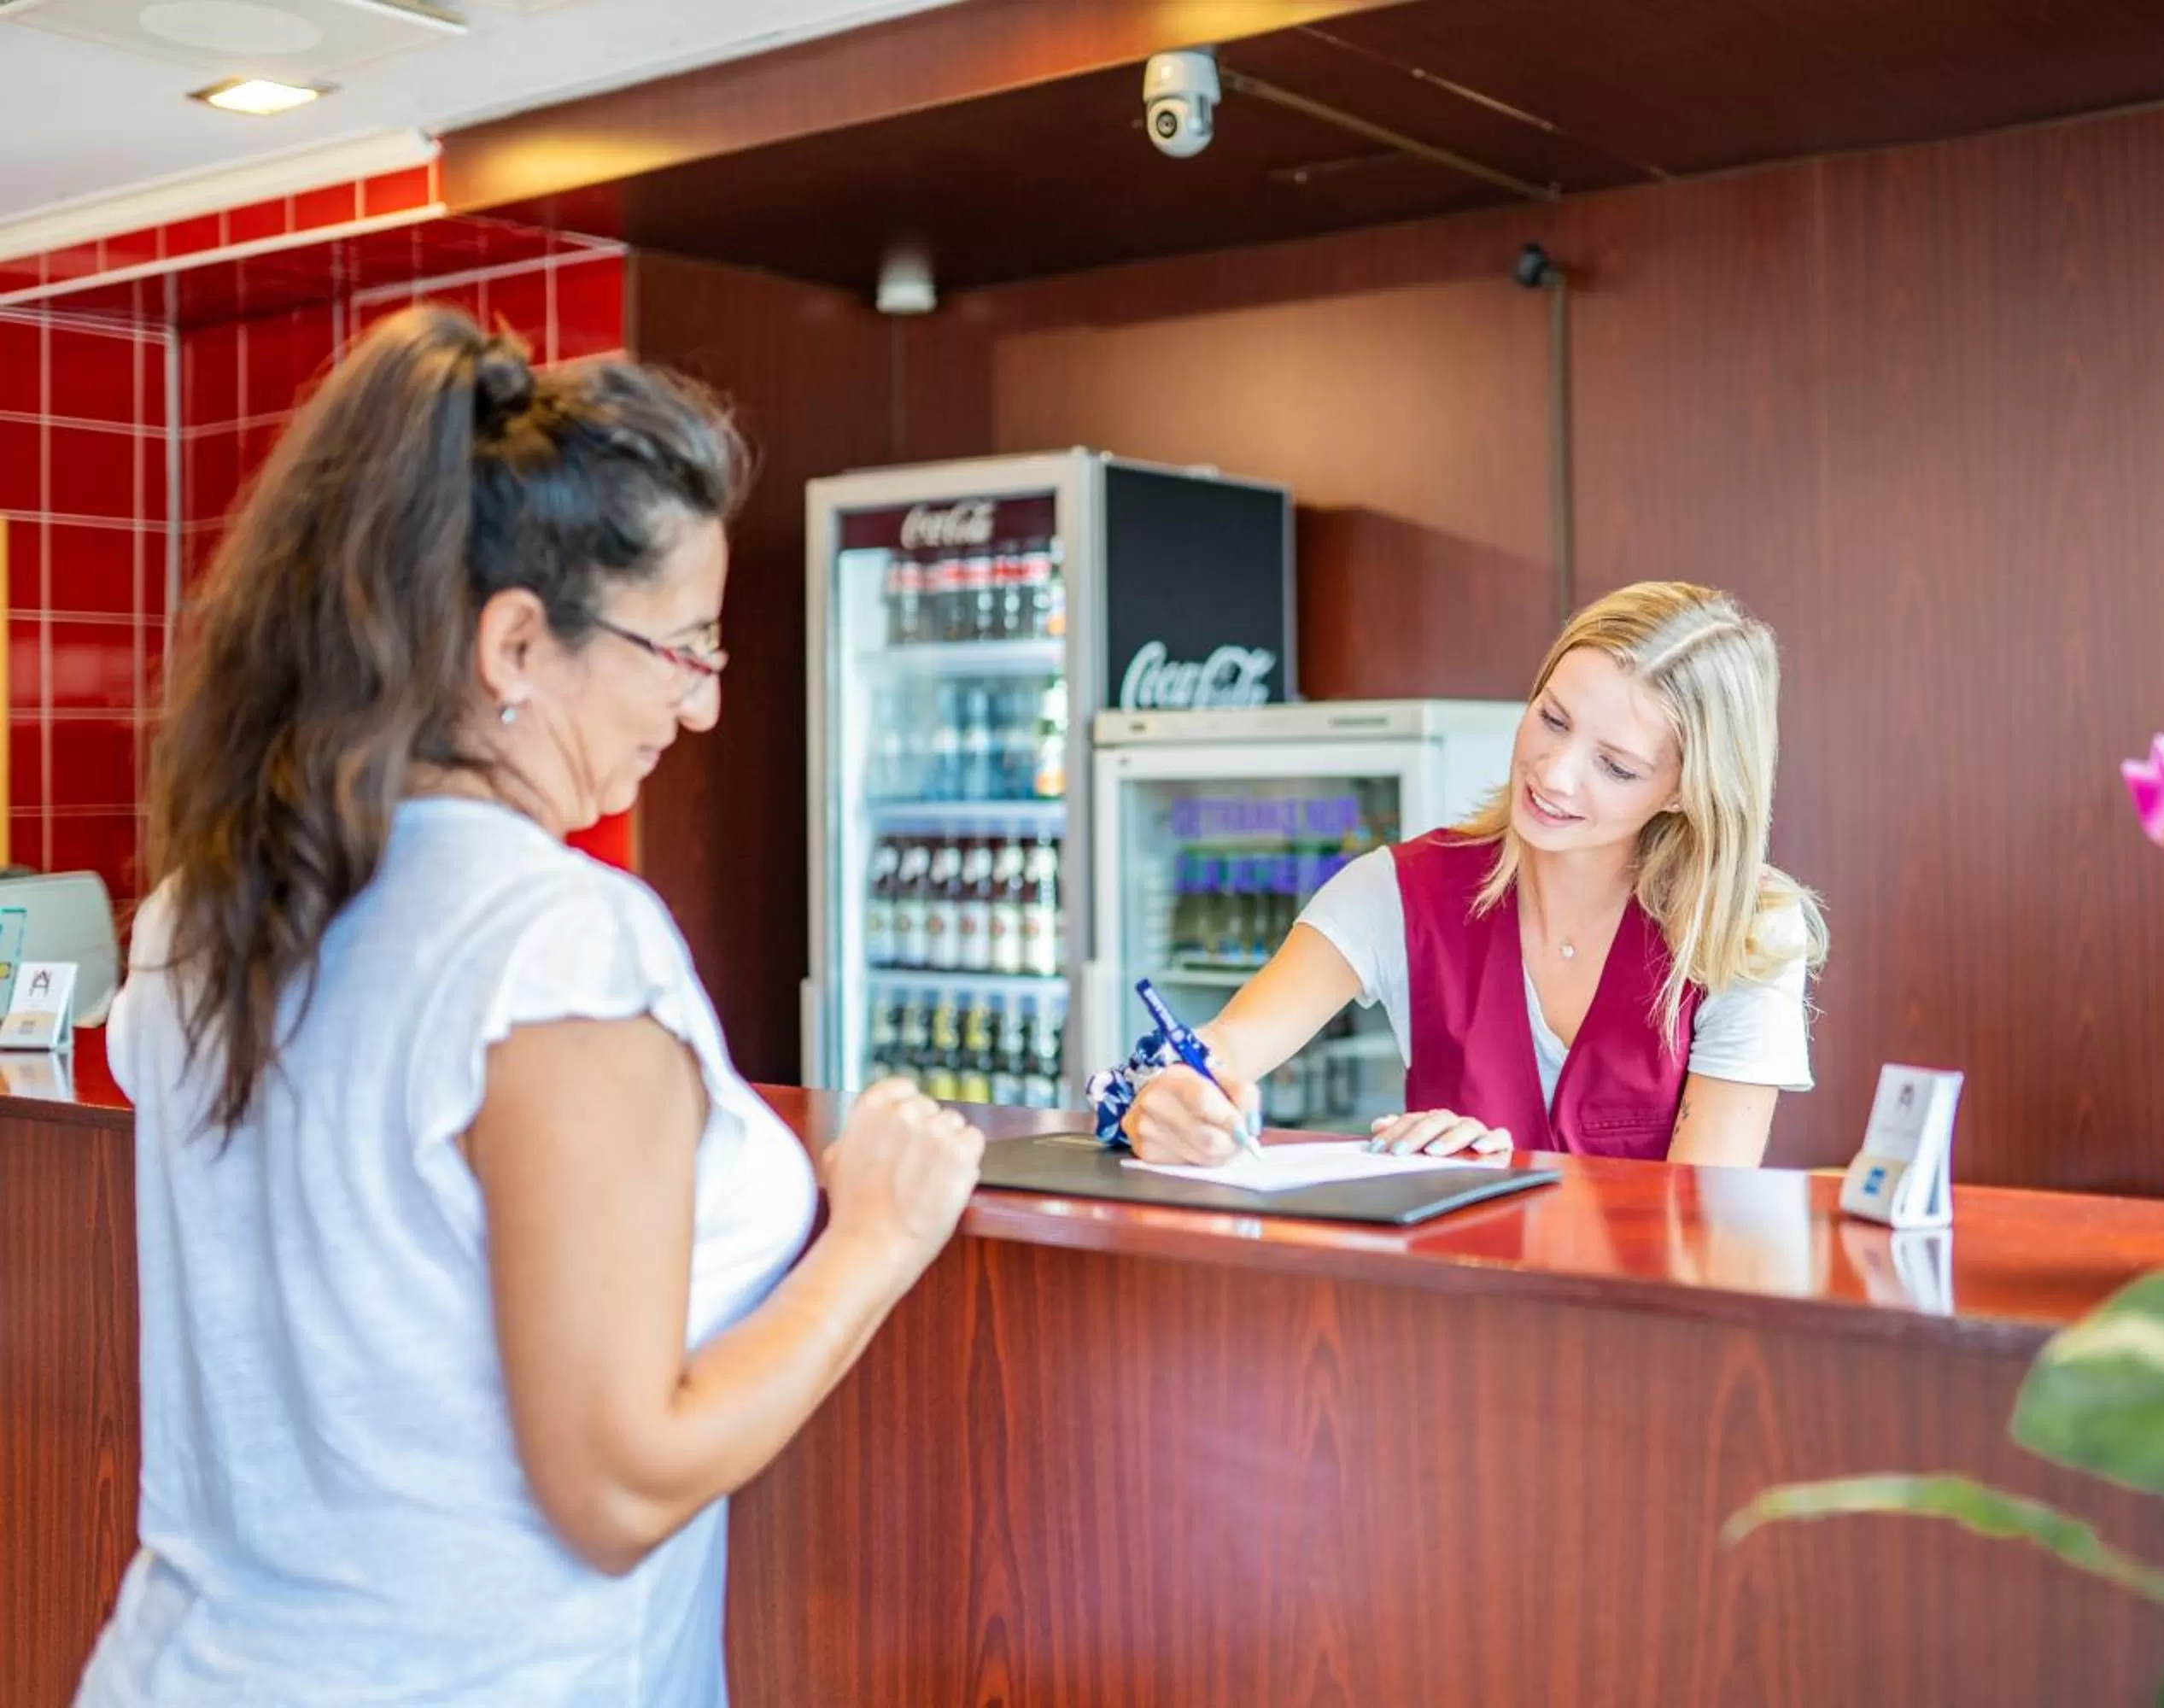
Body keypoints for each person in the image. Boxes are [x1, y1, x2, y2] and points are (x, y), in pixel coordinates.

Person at [77, 307, 984, 1706]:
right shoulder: (551, 947)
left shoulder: (212, 906)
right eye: (682, 649)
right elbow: (619, 1485)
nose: (701, 710)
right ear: (513, 645)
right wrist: (876, 1232)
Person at [1117, 582, 1824, 1166]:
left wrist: (1509, 1173)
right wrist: (1173, 1098)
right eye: (1552, 719)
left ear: (1683, 790)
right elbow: (1226, 1046)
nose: (1554, 773)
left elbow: (1702, 1213)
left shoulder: (1746, 929)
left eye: (1615, 766)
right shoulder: (1395, 891)